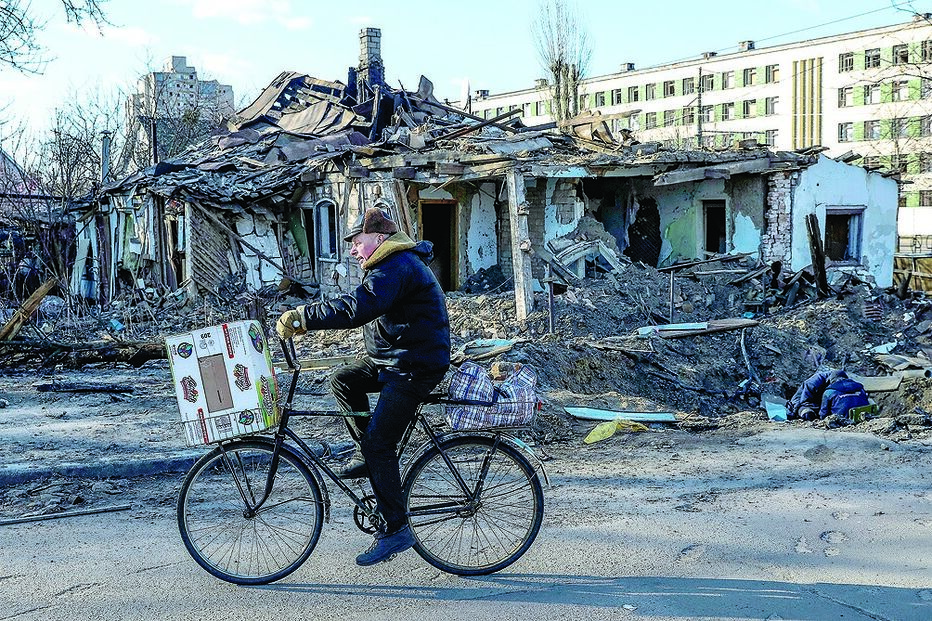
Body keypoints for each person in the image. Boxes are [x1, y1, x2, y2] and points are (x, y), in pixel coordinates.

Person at [276, 206, 450, 566]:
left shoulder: (395, 265)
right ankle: (366, 457)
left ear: (379, 238)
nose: (353, 249)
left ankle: (396, 528)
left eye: (357, 241)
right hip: (394, 359)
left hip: (412, 367)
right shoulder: (390, 265)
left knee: (379, 444)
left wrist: (304, 316)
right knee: (342, 379)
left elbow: (359, 308)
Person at [787, 368, 868, 421]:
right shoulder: (812, 384)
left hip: (821, 399)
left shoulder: (835, 385)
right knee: (807, 414)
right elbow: (805, 402)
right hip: (802, 401)